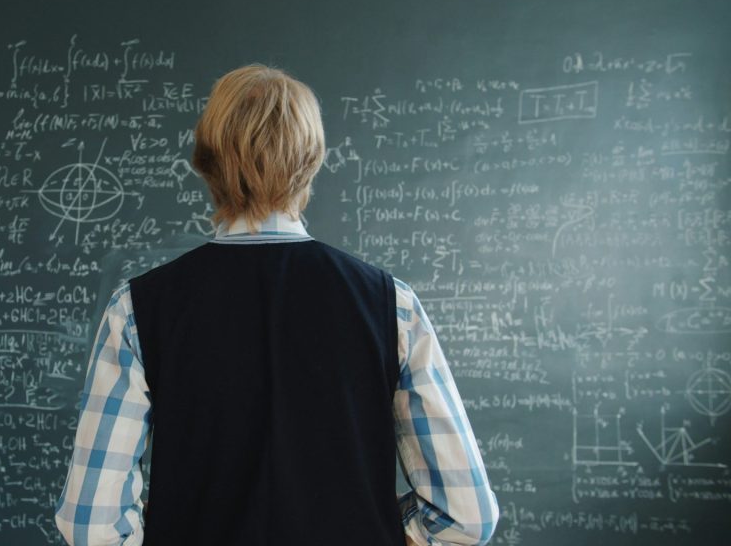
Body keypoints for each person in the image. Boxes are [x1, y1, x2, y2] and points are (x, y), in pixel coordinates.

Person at [53, 64, 499, 546]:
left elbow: (91, 525)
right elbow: (466, 516)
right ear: (311, 162)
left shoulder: (138, 309)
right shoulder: (392, 307)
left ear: (206, 163)